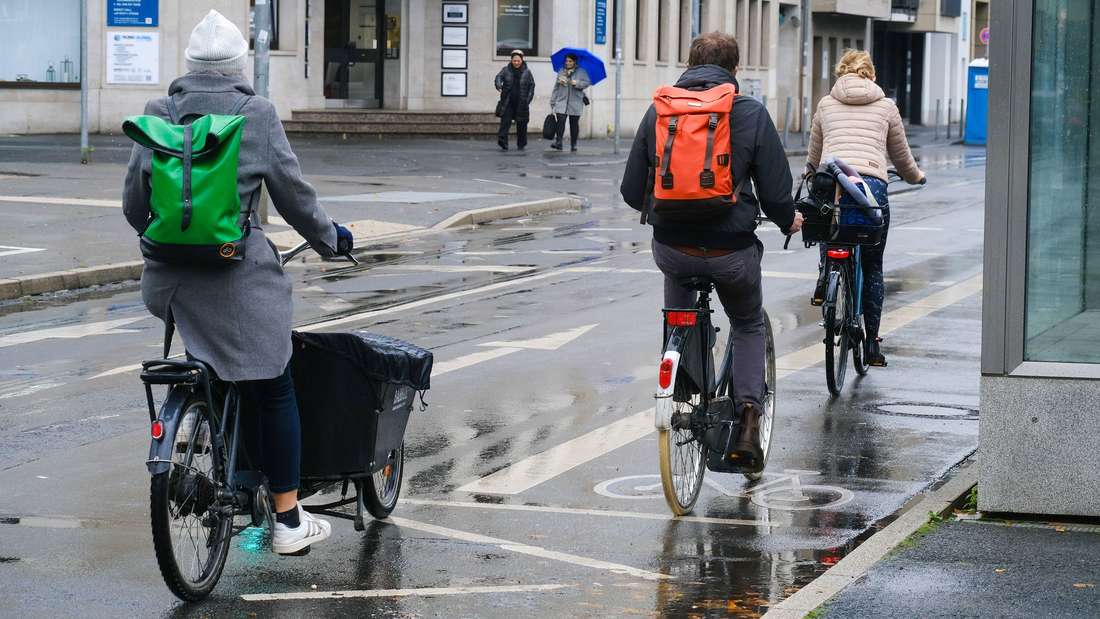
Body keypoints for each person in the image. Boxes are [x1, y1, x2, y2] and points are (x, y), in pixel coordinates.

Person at [122, 10, 352, 555]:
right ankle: (289, 520)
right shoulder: (256, 114)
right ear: (238, 66)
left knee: (214, 358)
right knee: (274, 382)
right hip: (234, 276)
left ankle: (211, 454)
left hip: (168, 282)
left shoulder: (159, 112)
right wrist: (331, 239)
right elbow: (295, 197)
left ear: (190, 67)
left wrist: (172, 244)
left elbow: (135, 204)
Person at [621, 32, 803, 464]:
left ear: (688, 65)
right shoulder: (751, 113)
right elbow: (777, 194)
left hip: (672, 247)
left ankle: (683, 377)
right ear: (735, 70)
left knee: (678, 303)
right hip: (731, 251)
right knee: (747, 322)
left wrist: (667, 205)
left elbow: (631, 191)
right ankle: (746, 422)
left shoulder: (660, 112)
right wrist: (789, 219)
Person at [807, 49, 925, 367]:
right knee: (872, 265)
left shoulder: (826, 104)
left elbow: (815, 151)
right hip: (870, 187)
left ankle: (825, 276)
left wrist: (809, 170)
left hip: (832, 183)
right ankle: (871, 346)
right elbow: (901, 155)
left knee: (827, 223)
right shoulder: (886, 106)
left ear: (840, 73)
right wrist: (916, 177)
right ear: (870, 74)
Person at [494, 50, 536, 151]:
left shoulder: (527, 72)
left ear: (522, 60)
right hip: (508, 101)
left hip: (522, 102)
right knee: (505, 122)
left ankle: (521, 144)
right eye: (514, 60)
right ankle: (503, 142)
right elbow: (498, 77)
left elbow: (532, 86)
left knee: (522, 124)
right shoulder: (506, 70)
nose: (516, 62)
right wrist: (499, 85)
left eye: (518, 60)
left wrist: (528, 100)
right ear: (511, 60)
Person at [549, 53, 590, 152]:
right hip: (562, 101)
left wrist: (577, 83)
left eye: (570, 61)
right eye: (566, 61)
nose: (567, 63)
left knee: (574, 123)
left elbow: (587, 82)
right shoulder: (561, 71)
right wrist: (553, 100)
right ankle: (559, 142)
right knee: (560, 121)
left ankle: (574, 144)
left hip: (575, 101)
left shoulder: (581, 72)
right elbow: (556, 87)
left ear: (574, 62)